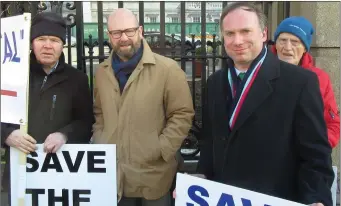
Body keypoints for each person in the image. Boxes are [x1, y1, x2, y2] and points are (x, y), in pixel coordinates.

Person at [174, 2, 334, 206]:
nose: (237, 40)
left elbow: (316, 155)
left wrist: (317, 198)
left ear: (263, 34)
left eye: (245, 31)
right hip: (223, 199)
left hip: (276, 198)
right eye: (230, 33)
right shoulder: (215, 82)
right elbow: (210, 142)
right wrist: (202, 177)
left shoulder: (300, 82)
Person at [91, 8, 194, 206]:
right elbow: (99, 111)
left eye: (129, 31)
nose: (123, 38)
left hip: (154, 176)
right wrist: (101, 139)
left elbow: (182, 114)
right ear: (109, 35)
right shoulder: (102, 72)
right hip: (115, 175)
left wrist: (160, 148)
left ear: (140, 30)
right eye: (116, 33)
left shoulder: (167, 69)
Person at [1, 12, 94, 201]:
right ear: (31, 43)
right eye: (41, 39)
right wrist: (6, 134)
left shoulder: (77, 79)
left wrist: (64, 134)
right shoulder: (11, 74)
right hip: (19, 170)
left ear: (62, 45)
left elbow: (85, 122)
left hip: (59, 172)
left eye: (54, 40)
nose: (47, 45)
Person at [271, 16, 340, 148]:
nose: (287, 47)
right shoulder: (261, 72)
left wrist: (318, 148)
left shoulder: (319, 78)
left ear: (304, 48)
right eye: (283, 40)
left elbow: (332, 124)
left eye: (295, 41)